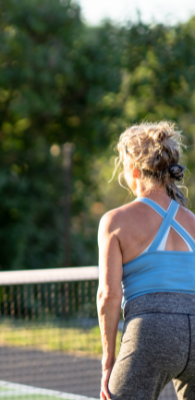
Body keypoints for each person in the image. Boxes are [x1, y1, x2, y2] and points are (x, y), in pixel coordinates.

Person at [98, 121, 195, 400]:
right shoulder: (193, 222)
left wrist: (109, 361)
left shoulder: (115, 221)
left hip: (152, 331)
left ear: (134, 170)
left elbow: (109, 295)